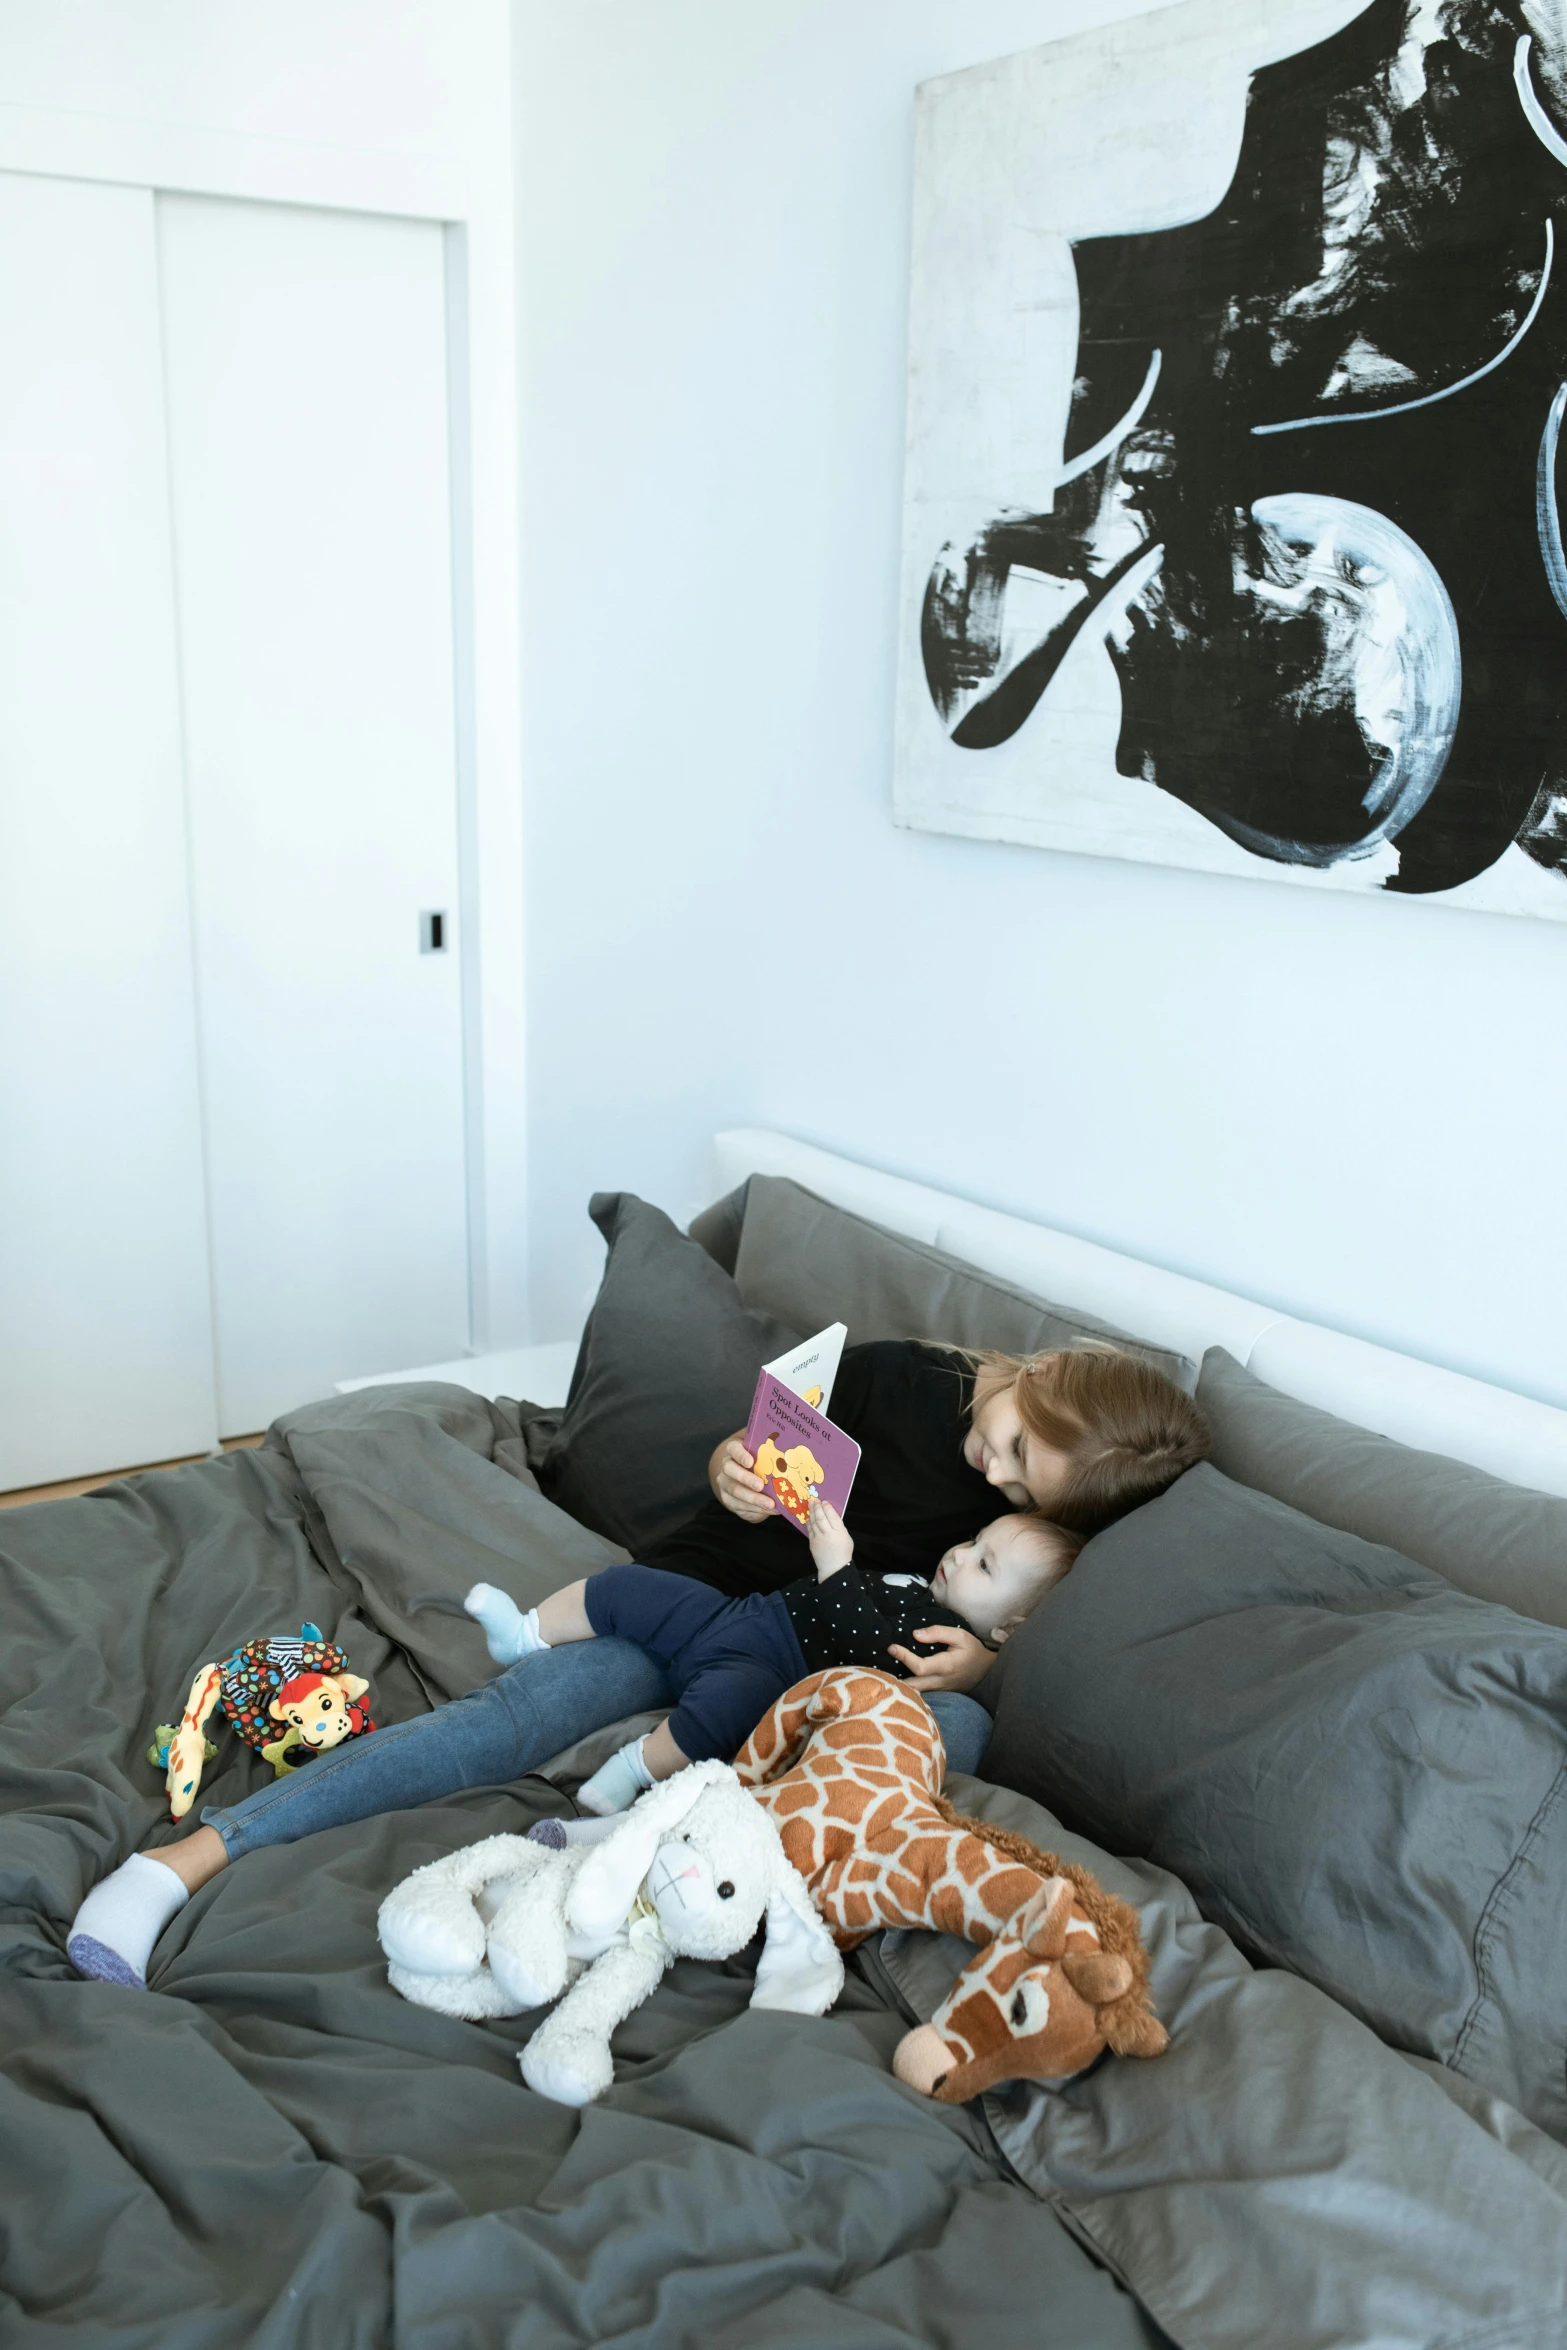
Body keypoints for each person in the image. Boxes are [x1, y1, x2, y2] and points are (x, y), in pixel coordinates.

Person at [67, 1338, 1208, 1988]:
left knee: (938, 1741)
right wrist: (733, 1469)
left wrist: (981, 1672)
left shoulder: (1068, 1524)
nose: (994, 1474)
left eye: (1023, 1487)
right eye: (1011, 1441)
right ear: (1039, 1372)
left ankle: (639, 1836)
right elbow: (749, 1449)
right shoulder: (900, 1378)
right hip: (710, 1596)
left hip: (821, 1674)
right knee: (509, 1720)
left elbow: (1025, 1634)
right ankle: (186, 1861)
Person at [464, 1497, 1081, 1815]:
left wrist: (837, 1564)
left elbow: (868, 1651)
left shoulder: (942, 1637)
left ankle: (627, 1773)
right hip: (741, 1615)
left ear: (1008, 1627)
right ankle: (526, 1632)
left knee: (720, 1714)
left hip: (773, 1668)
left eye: (984, 1564)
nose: (960, 1553)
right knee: (628, 1588)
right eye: (974, 1540)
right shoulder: (919, 1586)